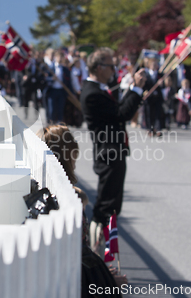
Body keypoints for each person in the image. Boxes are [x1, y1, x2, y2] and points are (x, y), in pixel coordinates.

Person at [39, 125, 127, 297]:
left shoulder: (42, 192)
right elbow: (75, 263)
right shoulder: (71, 202)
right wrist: (108, 282)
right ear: (68, 157)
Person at [80, 47, 145, 251]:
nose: (114, 70)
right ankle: (99, 254)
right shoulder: (92, 93)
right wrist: (136, 90)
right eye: (110, 66)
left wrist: (132, 88)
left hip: (113, 152)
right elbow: (121, 113)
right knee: (106, 207)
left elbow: (117, 106)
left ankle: (104, 254)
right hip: (108, 153)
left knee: (112, 205)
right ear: (99, 68)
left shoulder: (98, 88)